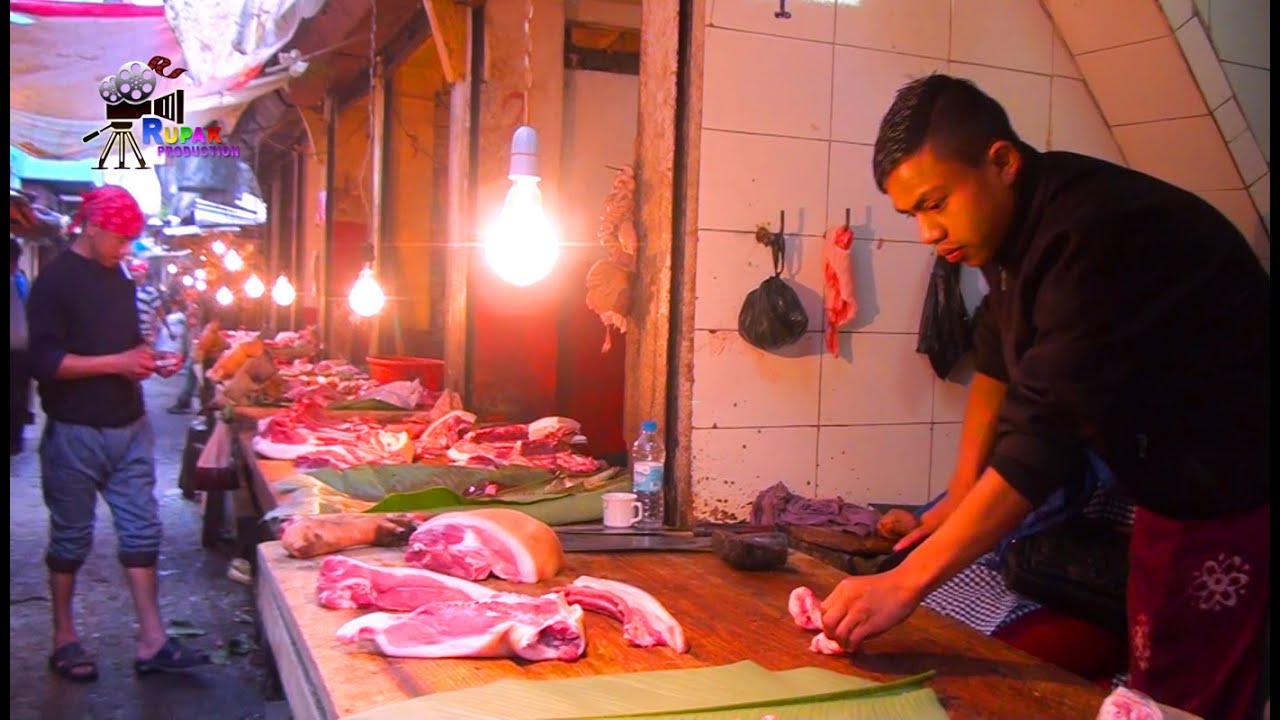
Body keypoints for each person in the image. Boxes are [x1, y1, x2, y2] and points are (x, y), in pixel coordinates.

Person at [820, 75, 1269, 720]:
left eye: (936, 202)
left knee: (1189, 691)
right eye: (913, 213)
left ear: (1001, 161)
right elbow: (998, 355)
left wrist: (906, 585)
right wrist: (958, 493)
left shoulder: (1093, 235)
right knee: (1153, 673)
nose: (927, 232)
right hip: (1166, 479)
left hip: (1231, 476)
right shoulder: (1014, 226)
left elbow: (1042, 436)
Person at [26, 184, 210, 682]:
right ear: (94, 227)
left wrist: (149, 361)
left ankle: (152, 641)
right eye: (121, 239)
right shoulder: (54, 283)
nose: (127, 249)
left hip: (129, 426)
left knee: (143, 531)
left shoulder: (121, 279)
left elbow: (127, 344)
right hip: (74, 431)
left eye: (132, 240)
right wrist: (117, 362)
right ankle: (64, 637)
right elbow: (43, 362)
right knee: (70, 537)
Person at [11, 237, 32, 454]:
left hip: (19, 350)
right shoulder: (20, 281)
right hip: (22, 350)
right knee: (18, 395)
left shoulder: (18, 281)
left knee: (16, 396)